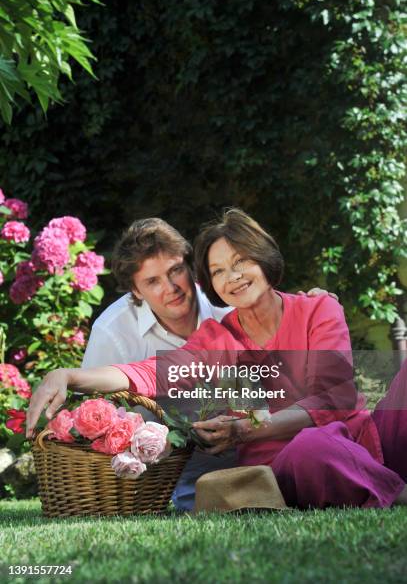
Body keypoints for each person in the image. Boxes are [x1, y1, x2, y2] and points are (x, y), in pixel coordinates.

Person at [27, 209, 407, 508]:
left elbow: (334, 401)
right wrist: (69, 375)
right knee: (313, 445)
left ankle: (374, 477)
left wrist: (246, 428)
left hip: (366, 441)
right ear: (212, 285)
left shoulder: (318, 308)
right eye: (220, 271)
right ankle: (395, 491)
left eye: (241, 261)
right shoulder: (219, 336)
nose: (234, 277)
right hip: (293, 463)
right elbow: (151, 372)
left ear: (263, 258)